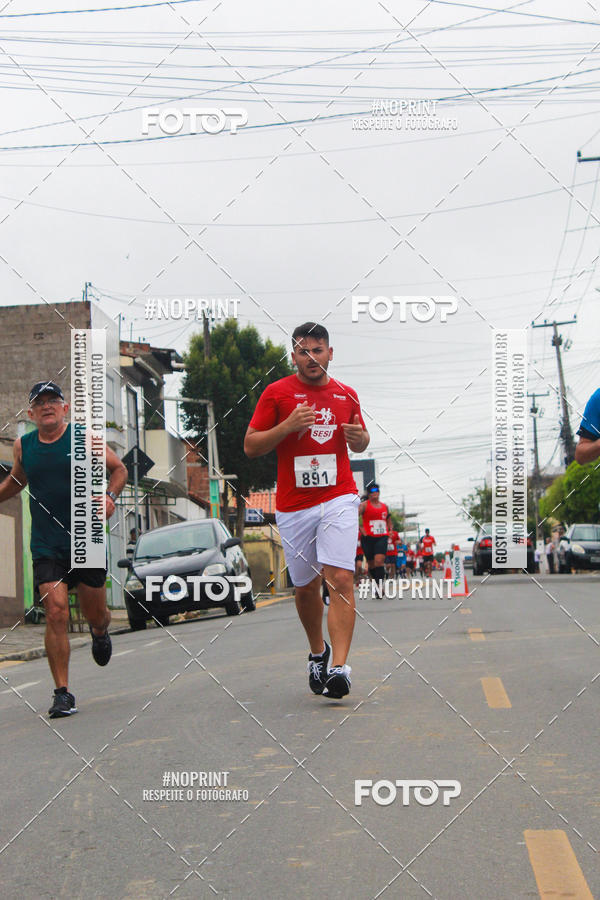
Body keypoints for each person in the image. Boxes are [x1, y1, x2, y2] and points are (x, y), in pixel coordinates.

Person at [244, 323, 369, 699]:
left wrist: (361, 438)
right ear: (293, 356)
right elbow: (251, 446)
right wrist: (287, 426)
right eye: (303, 351)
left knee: (341, 579)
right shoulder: (276, 394)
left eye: (318, 350)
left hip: (339, 497)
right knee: (305, 587)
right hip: (295, 505)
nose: (311, 358)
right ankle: (318, 650)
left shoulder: (346, 394)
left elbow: (361, 440)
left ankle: (339, 669)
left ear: (331, 353)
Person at [0, 381, 128, 718]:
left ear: (65, 408)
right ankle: (62, 693)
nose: (47, 406)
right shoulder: (22, 446)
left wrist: (109, 497)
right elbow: (17, 480)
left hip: (85, 538)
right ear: (31, 413)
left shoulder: (85, 438)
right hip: (46, 544)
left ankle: (100, 632)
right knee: (56, 610)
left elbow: (119, 469)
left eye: (53, 401)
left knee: (95, 613)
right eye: (39, 402)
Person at [359, 484, 391, 592]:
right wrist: (361, 529)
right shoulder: (363, 505)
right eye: (372, 491)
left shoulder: (384, 506)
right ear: (369, 494)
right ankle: (376, 583)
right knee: (371, 564)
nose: (375, 493)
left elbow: (389, 520)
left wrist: (390, 531)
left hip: (381, 537)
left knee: (379, 561)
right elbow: (354, 517)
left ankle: (380, 587)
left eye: (377, 491)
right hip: (368, 538)